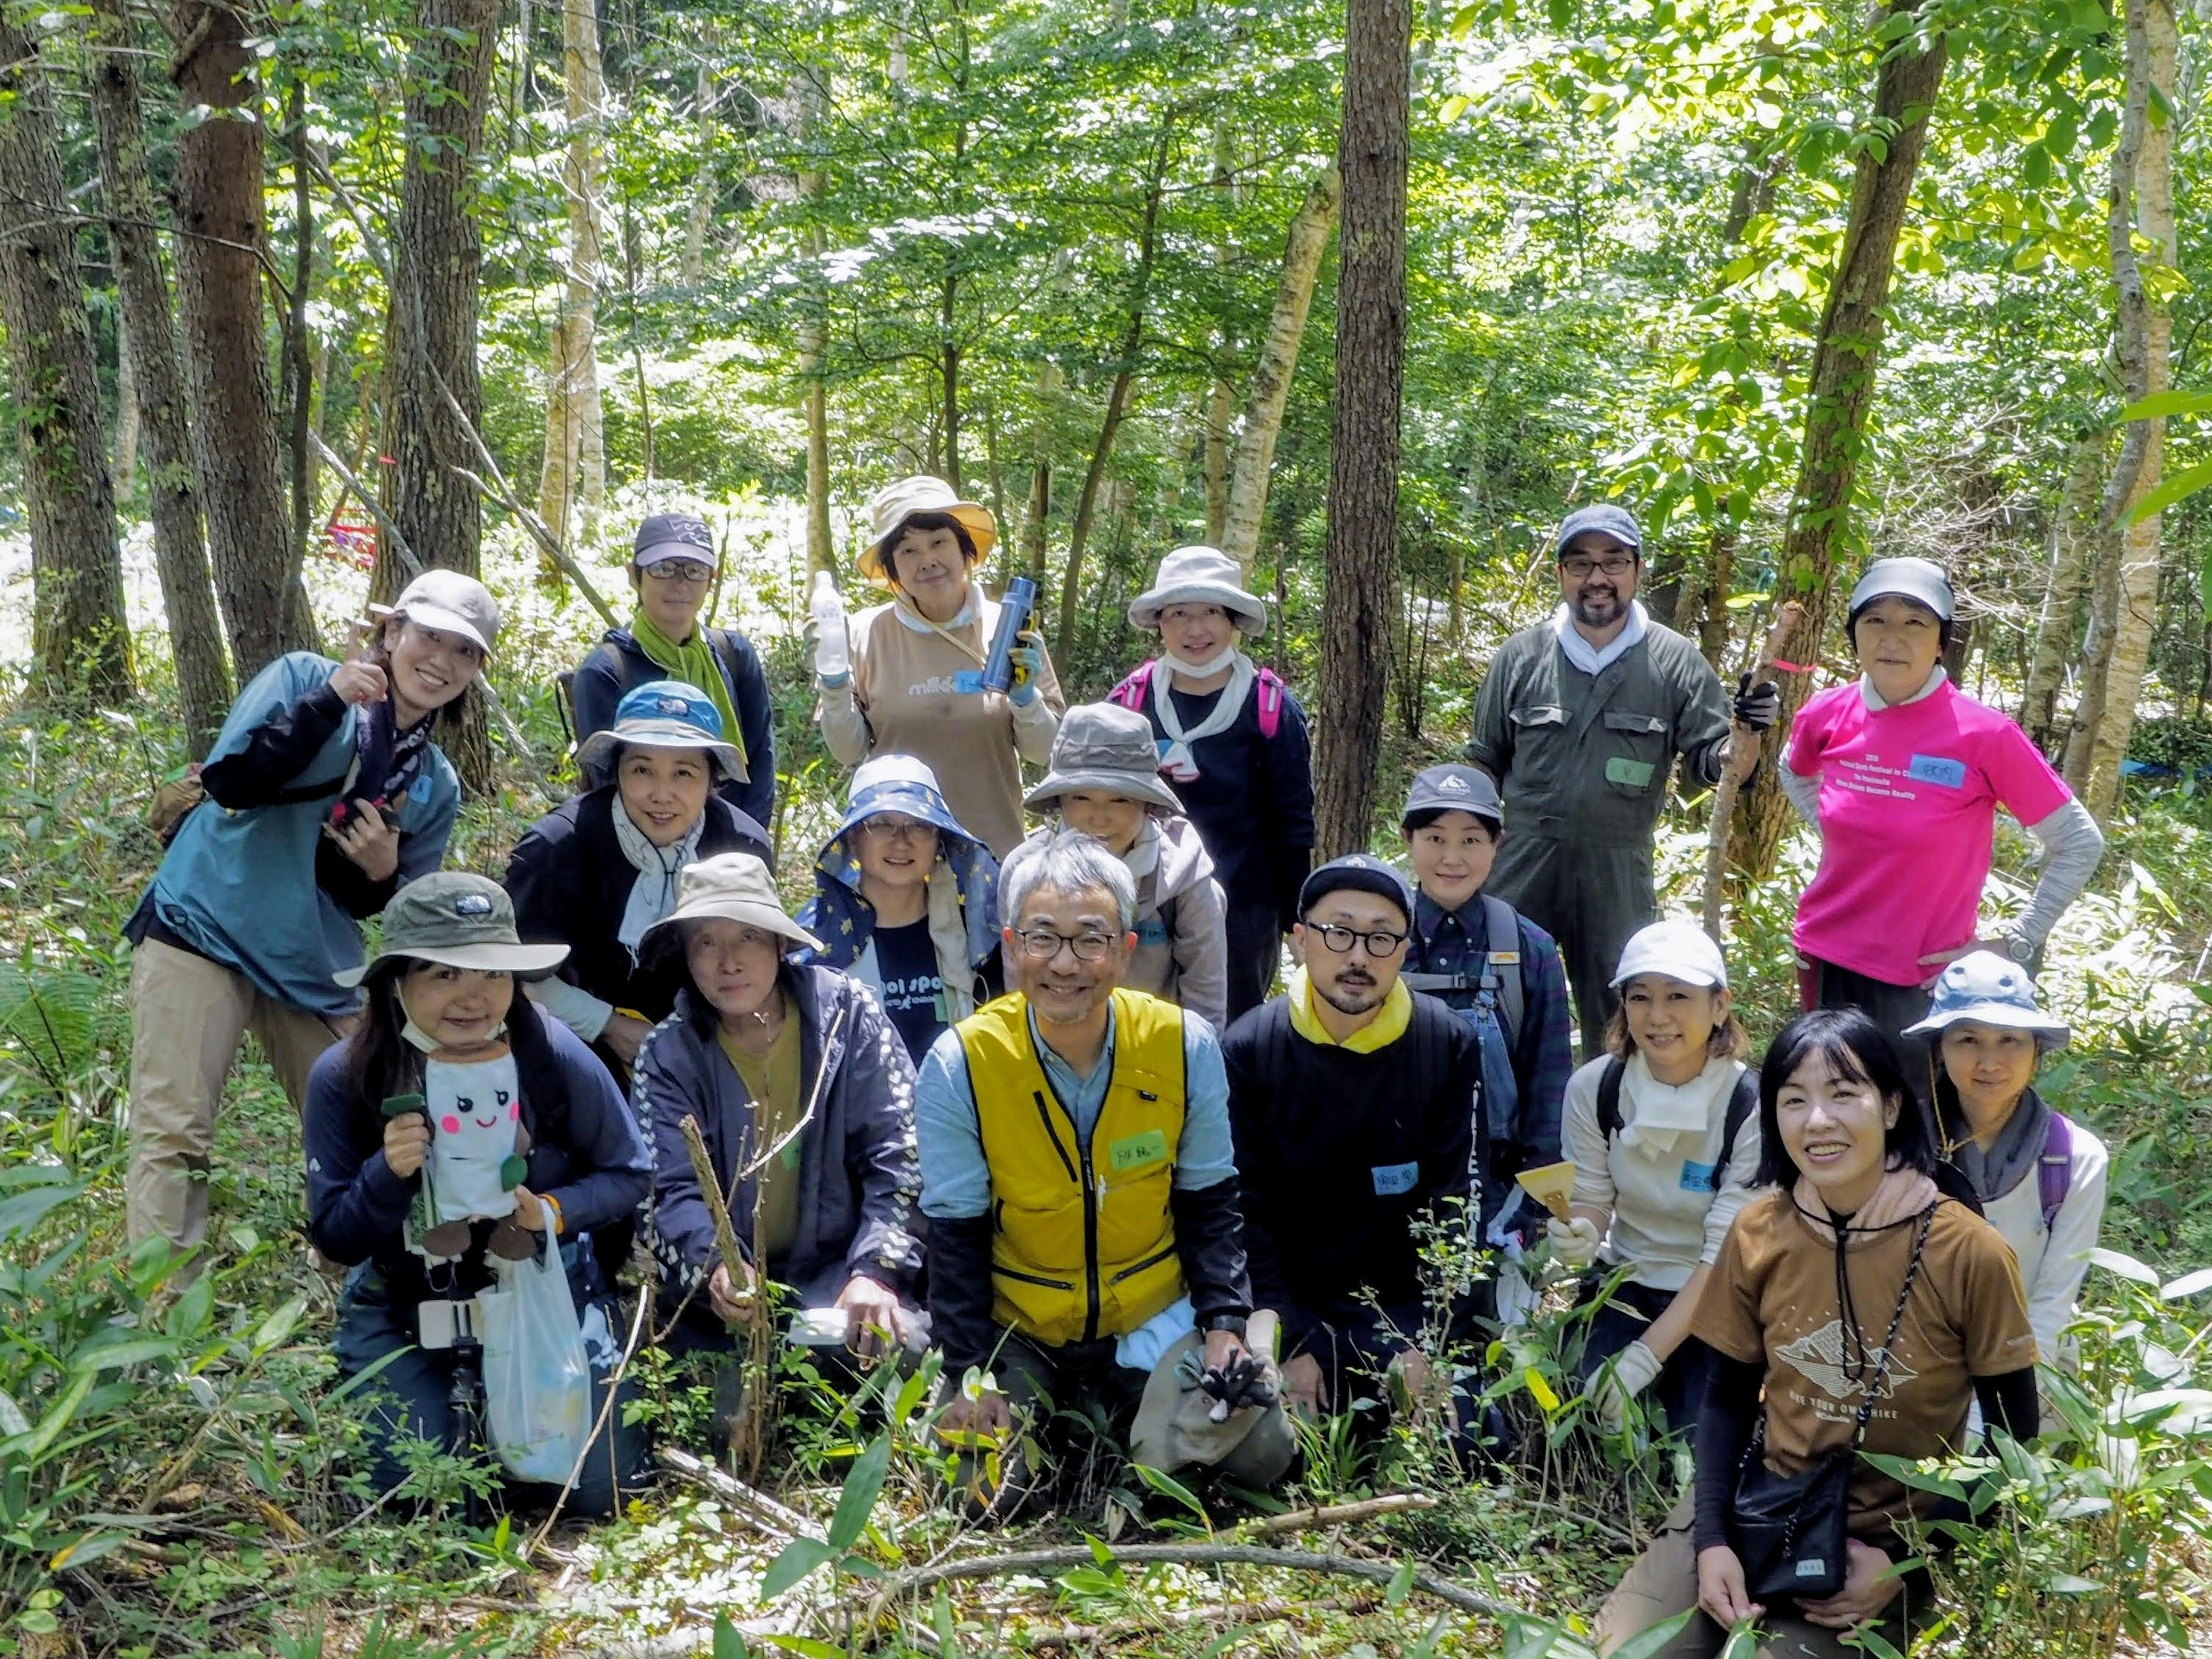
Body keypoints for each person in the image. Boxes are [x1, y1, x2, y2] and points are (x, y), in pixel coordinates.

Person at [1595, 1008, 2039, 1658]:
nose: (1818, 1121)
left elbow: (2013, 1439)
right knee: (1618, 1650)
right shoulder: (1758, 1231)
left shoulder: (1968, 1251)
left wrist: (1912, 1563)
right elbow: (1725, 1397)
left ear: (1890, 1108)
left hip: (1879, 1547)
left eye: (1843, 1094)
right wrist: (1712, 1541)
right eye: (1794, 1100)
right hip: (1757, 1507)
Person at [124, 569, 495, 1263]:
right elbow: (234, 781)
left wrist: (383, 870)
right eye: (429, 636)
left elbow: (393, 910)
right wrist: (328, 702)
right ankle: (162, 1328)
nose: (440, 661)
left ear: (475, 672)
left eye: (464, 651)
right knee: (174, 1132)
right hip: (203, 922)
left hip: (309, 959)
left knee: (369, 1120)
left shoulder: (435, 782)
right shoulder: (304, 678)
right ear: (392, 633)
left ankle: (368, 1290)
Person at [916, 832, 1292, 1516]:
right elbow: (955, 1232)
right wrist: (972, 1373)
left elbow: (1211, 1201)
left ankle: (1128, 1421)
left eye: (1090, 939)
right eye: (1042, 938)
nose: (1065, 964)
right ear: (1010, 945)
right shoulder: (961, 1064)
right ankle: (1060, 1421)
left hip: (1152, 1315)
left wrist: (1223, 1327)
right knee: (975, 1494)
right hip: (1019, 1324)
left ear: (1124, 949)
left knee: (1259, 1451)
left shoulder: (1183, 1045)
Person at [304, 874, 651, 1513]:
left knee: (605, 1493)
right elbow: (336, 1235)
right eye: (443, 975)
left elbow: (629, 1171)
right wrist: (386, 1172)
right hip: (406, 1303)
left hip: (542, 1290)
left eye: (492, 975)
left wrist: (551, 1211)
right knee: (425, 1501)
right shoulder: (345, 1075)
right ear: (395, 982)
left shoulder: (550, 1051)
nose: (473, 997)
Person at [1465, 504, 1778, 1053]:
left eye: (1613, 562)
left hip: (1617, 871)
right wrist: (1468, 853)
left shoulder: (1674, 662)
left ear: (1637, 571)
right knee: (1498, 1002)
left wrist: (1748, 727)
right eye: (1581, 563)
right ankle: (1504, 1132)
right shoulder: (1520, 657)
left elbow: (1721, 764)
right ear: (1561, 574)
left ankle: (1610, 1128)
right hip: (1519, 863)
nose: (1597, 578)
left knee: (1621, 1017)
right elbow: (1482, 766)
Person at [1782, 557, 2104, 1067]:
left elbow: (2080, 842)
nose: (1893, 639)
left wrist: (2017, 941)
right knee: (1834, 1114)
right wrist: (1842, 829)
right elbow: (1794, 769)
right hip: (1823, 957)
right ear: (1854, 635)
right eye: (1875, 620)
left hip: (1921, 977)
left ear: (1941, 641)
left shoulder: (1985, 734)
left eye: (1915, 622)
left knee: (1912, 1129)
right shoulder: (1826, 712)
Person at [634, 853, 927, 1392]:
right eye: (706, 942)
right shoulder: (667, 1055)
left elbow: (902, 1153)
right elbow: (667, 1194)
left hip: (842, 1275)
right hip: (727, 1301)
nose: (728, 962)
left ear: (779, 944)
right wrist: (718, 1270)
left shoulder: (849, 1016)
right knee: (720, 1408)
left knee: (897, 1358)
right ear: (687, 956)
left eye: (748, 937)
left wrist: (876, 1271)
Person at [1223, 855, 1484, 1445]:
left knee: (1465, 1441)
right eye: (1338, 932)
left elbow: (1460, 1205)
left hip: (1403, 1313)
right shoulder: (1249, 1048)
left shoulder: (1446, 1044)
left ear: (1406, 949)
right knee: (1267, 1450)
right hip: (1293, 1308)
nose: (1358, 957)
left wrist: (1428, 1343)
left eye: (1381, 937)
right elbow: (1244, 1216)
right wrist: (1291, 1343)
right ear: (1299, 939)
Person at [1549, 920, 1759, 1434]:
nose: (1657, 1016)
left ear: (1719, 1006)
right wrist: (1580, 1231)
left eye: (1678, 997)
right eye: (1640, 997)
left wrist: (1645, 1357)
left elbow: (1724, 1255)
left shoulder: (1753, 1105)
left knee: (1695, 1435)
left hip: (1719, 1295)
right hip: (1626, 1281)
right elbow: (1594, 1197)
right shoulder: (1595, 1088)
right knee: (1576, 1412)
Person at [505, 680, 772, 1078]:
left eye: (684, 773)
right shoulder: (557, 850)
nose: (661, 795)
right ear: (616, 771)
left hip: (710, 1045)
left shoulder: (740, 845)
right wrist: (609, 1026)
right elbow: (511, 973)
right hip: (569, 1048)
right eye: (642, 770)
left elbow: (759, 960)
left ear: (712, 780)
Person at [1110, 545, 1314, 1020]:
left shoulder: (1269, 708)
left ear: (1234, 621)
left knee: (1230, 1035)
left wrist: (1296, 919)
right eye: (1180, 613)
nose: (1195, 629)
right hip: (1143, 906)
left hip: (1241, 912)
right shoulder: (1130, 702)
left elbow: (1293, 822)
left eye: (1211, 613)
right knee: (1138, 1026)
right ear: (1160, 621)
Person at [815, 477, 1065, 857]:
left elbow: (1042, 751)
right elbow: (847, 751)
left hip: (992, 850)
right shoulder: (864, 634)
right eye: (908, 551)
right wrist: (833, 688)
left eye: (938, 543)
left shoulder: (1010, 628)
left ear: (964, 548)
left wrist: (1027, 701)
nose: (927, 560)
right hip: (896, 857)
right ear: (893, 569)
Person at [1398, 764, 1575, 1253]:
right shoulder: (1381, 940)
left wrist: (1536, 1208)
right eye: (1435, 838)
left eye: (1472, 841)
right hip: (1386, 1180)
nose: (1452, 858)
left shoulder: (1529, 950)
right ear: (1409, 839)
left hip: (1495, 1191)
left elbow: (1548, 1088)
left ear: (1497, 844)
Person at [1908, 952, 2107, 1371]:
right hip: (1916, 1360)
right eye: (1967, 1040)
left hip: (2030, 1357)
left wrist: (2019, 1406)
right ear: (1939, 1049)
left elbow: (2054, 1298)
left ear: (2036, 1049)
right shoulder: (1902, 1143)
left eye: (2010, 1040)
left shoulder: (2075, 1158)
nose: (1989, 1062)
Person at [1004, 701, 1229, 1032]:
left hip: (1155, 1048)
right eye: (1081, 798)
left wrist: (1194, 1069)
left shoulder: (1185, 877)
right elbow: (1018, 987)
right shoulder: (1024, 871)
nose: (1099, 816)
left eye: (1120, 799)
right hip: (1051, 1046)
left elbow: (1205, 1002)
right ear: (1060, 801)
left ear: (1147, 805)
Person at [570, 512, 775, 827]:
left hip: (728, 842)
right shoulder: (607, 670)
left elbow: (760, 760)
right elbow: (607, 782)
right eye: (663, 569)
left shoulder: (733, 655)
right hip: (638, 843)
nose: (680, 583)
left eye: (694, 570)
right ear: (634, 576)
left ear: (711, 580)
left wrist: (745, 843)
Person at [796, 756, 1003, 1066]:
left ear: (939, 841)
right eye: (881, 825)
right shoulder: (815, 941)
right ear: (853, 839)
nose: (901, 842)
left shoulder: (975, 937)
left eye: (919, 826)